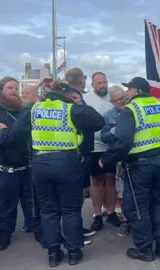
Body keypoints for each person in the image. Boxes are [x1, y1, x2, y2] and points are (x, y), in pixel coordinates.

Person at [0, 81, 105, 267]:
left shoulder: (34, 110)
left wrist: (1, 133)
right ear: (66, 94)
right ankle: (73, 252)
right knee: (70, 210)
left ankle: (53, 254)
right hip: (66, 163)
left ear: (47, 93)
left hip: (40, 164)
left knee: (48, 210)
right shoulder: (71, 109)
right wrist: (80, 103)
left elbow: (15, 133)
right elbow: (98, 122)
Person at [100, 77, 160, 262]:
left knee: (137, 207)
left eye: (129, 90)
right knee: (159, 203)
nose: (127, 93)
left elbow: (123, 141)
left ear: (138, 91)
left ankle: (144, 248)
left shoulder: (131, 109)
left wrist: (107, 159)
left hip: (140, 164)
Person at [0, 77, 42, 251]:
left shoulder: (24, 113)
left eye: (16, 88)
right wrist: (1, 141)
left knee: (31, 202)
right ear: (0, 91)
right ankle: (5, 234)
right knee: (6, 204)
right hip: (4, 169)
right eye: (10, 87)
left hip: (27, 167)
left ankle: (38, 231)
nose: (14, 90)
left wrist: (6, 132)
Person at [85, 72, 121, 232]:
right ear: (92, 85)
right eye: (98, 83)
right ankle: (97, 214)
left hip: (112, 148)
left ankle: (112, 212)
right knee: (97, 181)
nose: (102, 85)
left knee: (111, 180)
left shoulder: (113, 97)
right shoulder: (86, 99)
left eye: (104, 82)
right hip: (95, 147)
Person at [63, 68, 96, 243]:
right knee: (77, 194)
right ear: (82, 79)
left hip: (73, 152)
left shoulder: (63, 96)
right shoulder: (74, 98)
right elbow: (89, 121)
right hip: (78, 153)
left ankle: (75, 227)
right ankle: (73, 231)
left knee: (79, 193)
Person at [100, 85, 129, 236]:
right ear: (111, 102)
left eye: (122, 99)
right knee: (121, 190)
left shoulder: (132, 110)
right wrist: (113, 130)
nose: (120, 102)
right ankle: (125, 219)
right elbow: (103, 136)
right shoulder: (108, 115)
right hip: (117, 157)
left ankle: (133, 219)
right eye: (117, 100)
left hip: (132, 156)